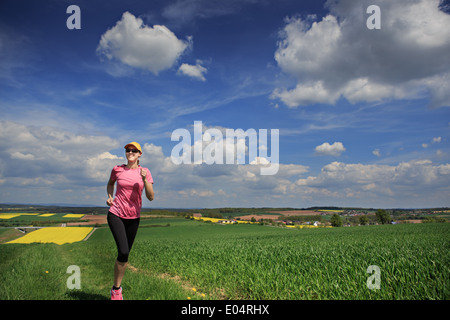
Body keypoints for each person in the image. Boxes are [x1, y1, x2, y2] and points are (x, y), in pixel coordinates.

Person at [106, 141, 154, 300]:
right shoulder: (117, 169)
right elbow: (110, 184)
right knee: (124, 251)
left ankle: (117, 287)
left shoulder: (145, 171)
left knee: (124, 256)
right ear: (126, 153)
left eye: (134, 150)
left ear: (140, 154)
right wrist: (110, 196)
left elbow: (151, 197)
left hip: (134, 217)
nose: (130, 152)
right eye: (128, 150)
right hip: (116, 213)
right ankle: (116, 290)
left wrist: (145, 180)